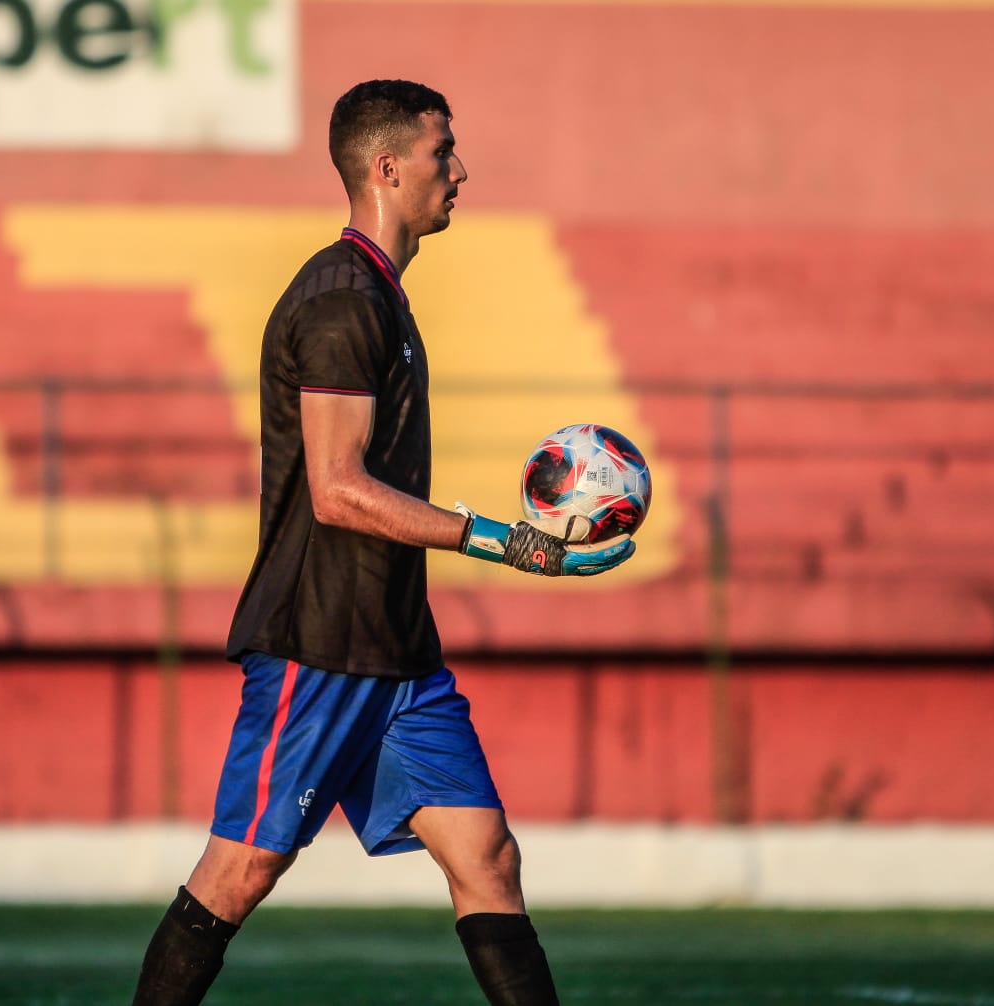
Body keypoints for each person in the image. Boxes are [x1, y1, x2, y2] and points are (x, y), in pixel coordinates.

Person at [129, 79, 634, 1006]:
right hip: (317, 644)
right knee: (238, 875)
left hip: (398, 651)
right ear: (388, 167)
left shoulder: (384, 297)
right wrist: (507, 543)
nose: (461, 169)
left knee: (487, 858)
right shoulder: (340, 301)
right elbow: (338, 491)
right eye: (445, 153)